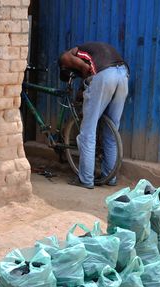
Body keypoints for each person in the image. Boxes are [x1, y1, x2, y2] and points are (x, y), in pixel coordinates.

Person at [58, 41, 128, 189]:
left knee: (87, 132)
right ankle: (110, 177)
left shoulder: (66, 56)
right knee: (111, 130)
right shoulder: (94, 49)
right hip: (123, 75)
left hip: (105, 76)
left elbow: (85, 68)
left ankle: (85, 179)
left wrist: (82, 91)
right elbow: (89, 75)